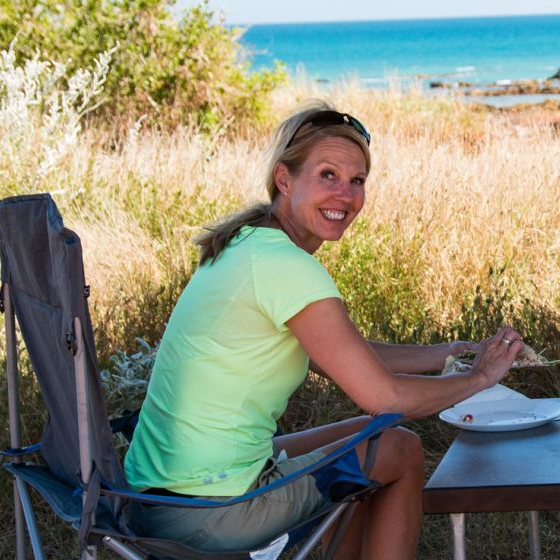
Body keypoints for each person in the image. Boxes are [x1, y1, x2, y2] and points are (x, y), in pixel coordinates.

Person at [123, 102, 527, 558]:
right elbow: (386, 397)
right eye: (327, 175)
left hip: (153, 495)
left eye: (357, 181)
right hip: (210, 508)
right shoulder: (285, 266)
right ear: (284, 179)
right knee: (398, 447)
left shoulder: (247, 243)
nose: (345, 195)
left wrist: (447, 353)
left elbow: (338, 350)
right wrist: (478, 379)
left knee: (365, 439)